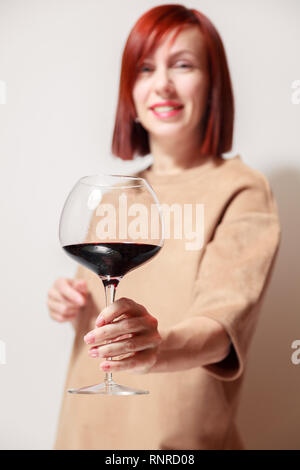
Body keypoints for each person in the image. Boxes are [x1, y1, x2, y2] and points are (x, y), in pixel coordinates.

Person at [48, 4, 281, 450]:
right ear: (129, 93)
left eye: (183, 65)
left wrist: (156, 347)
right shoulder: (116, 194)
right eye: (145, 68)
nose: (162, 84)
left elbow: (220, 329)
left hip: (175, 443)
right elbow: (98, 310)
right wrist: (70, 304)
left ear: (213, 86)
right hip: (84, 434)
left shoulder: (243, 190)